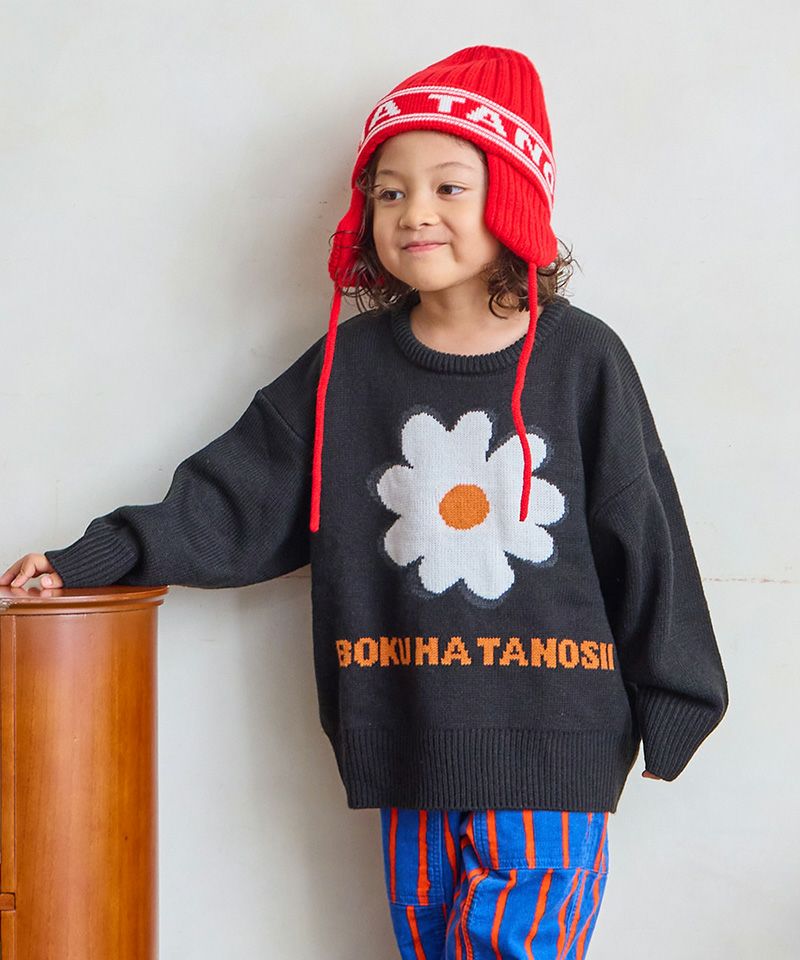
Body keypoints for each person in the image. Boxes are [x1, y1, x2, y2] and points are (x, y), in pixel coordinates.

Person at [1, 45, 729, 959]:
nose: (414, 211)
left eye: (449, 186)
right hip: (406, 736)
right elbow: (236, 496)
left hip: (554, 746)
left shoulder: (583, 360)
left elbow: (644, 530)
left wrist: (677, 694)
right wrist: (94, 558)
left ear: (512, 199)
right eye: (389, 192)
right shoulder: (348, 368)